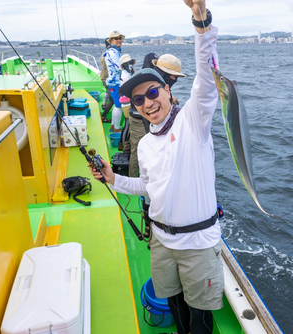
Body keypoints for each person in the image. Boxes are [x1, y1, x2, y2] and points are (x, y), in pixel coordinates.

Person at [90, 1, 221, 333]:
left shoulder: (194, 121)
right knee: (176, 311)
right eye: (138, 99)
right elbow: (149, 187)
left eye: (152, 92)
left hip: (197, 245)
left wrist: (200, 19)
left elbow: (207, 77)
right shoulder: (146, 143)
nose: (147, 103)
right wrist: (113, 178)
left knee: (201, 322)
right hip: (161, 242)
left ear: (168, 90)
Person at [127, 53, 186, 177]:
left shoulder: (155, 77)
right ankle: (134, 179)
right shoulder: (159, 81)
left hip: (138, 116)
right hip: (138, 118)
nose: (148, 103)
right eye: (175, 76)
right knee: (136, 150)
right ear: (170, 74)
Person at [104, 30, 125, 132]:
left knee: (117, 105)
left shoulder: (114, 51)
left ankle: (113, 126)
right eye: (116, 38)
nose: (119, 40)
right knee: (119, 105)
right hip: (116, 83)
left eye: (120, 38)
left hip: (114, 83)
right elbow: (119, 67)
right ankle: (117, 128)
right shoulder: (113, 52)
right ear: (111, 40)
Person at [99, 38, 113, 123]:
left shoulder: (103, 54)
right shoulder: (110, 55)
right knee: (112, 100)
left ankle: (104, 104)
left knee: (108, 92)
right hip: (107, 79)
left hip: (103, 77)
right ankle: (103, 116)